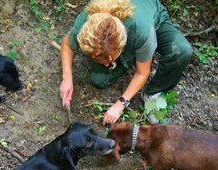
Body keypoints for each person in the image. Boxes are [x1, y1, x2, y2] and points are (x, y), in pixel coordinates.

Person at [59, 0, 192, 124]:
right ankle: (139, 54)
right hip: (133, 34)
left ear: (122, 45)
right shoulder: (88, 23)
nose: (106, 64)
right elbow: (67, 45)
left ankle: (152, 92)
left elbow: (142, 73)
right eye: (102, 60)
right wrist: (67, 78)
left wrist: (120, 104)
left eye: (110, 59)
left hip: (152, 17)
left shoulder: (141, 31)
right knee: (99, 80)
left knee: (182, 51)